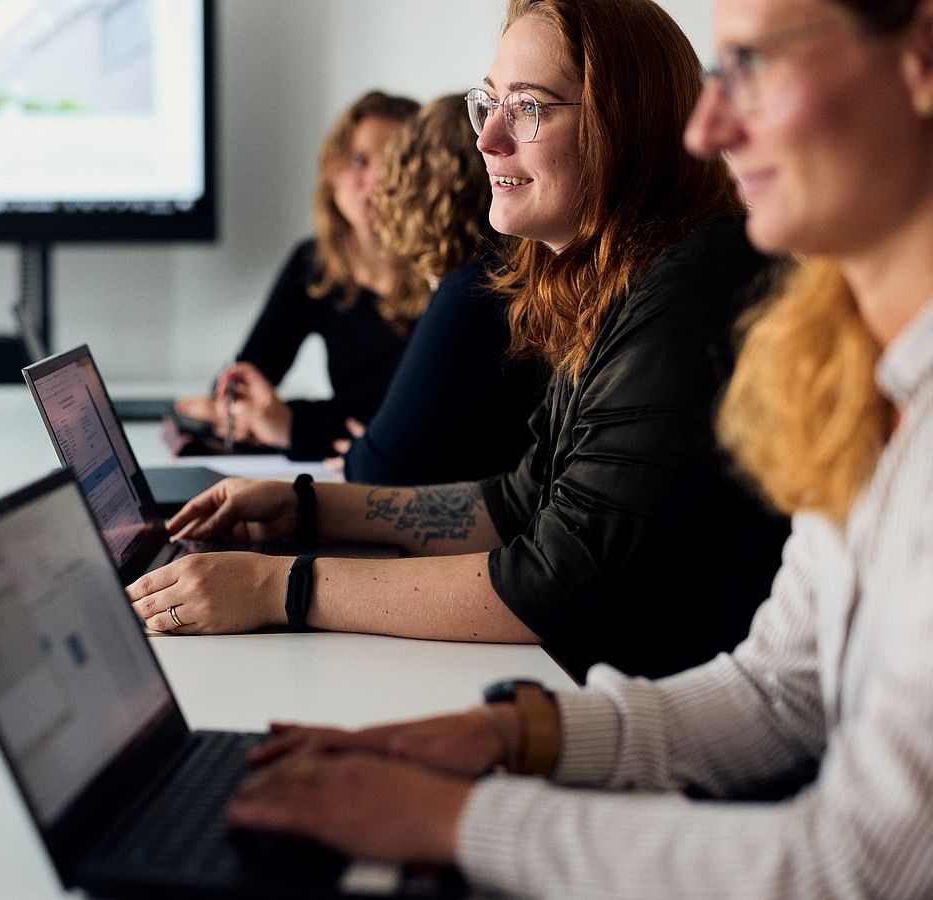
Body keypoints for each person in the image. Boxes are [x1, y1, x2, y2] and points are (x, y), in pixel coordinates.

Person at [221, 0, 933, 895]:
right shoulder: (847, 367)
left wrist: (454, 818)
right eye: (492, 103)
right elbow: (777, 693)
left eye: (754, 64)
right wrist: (511, 733)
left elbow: (855, 868)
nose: (709, 127)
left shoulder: (693, 291)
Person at [130, 0, 792, 682]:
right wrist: (305, 503)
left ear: (623, 126)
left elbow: (556, 583)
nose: (488, 138)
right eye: (490, 103)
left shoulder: (687, 294)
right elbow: (515, 503)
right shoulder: (610, 280)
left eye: (528, 108)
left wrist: (279, 588)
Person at [174, 90, 419, 461]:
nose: (375, 182)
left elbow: (405, 424)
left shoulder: (447, 275)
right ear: (332, 171)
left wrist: (289, 423)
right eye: (359, 161)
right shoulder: (314, 263)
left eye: (395, 166)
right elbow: (247, 376)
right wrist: (236, 408)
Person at [331, 92, 549, 486]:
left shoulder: (472, 292)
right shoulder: (508, 279)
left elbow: (377, 472)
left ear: (415, 188)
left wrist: (364, 454)